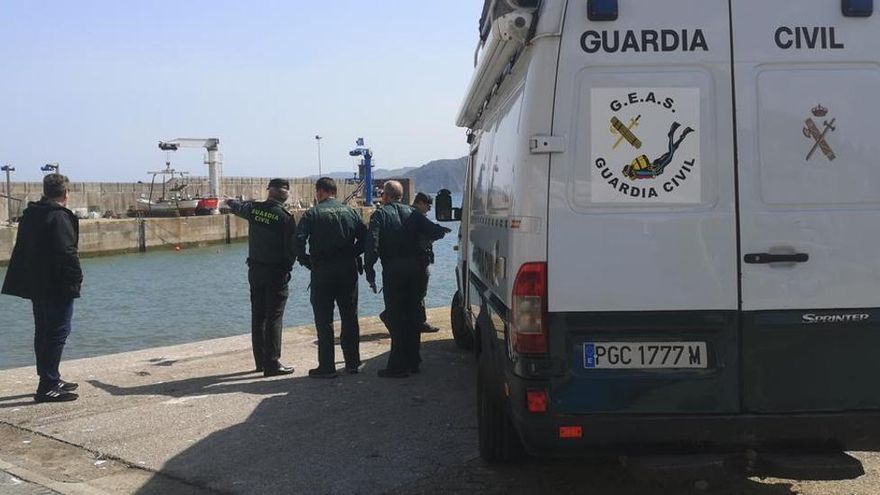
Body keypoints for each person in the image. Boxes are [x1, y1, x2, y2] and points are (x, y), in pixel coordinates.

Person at [2, 174, 83, 402]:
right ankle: (47, 385)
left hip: (37, 283)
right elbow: (67, 251)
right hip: (57, 284)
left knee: (43, 331)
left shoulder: (32, 213)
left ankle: (51, 377)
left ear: (45, 191)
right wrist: (76, 277)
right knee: (58, 332)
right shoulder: (58, 216)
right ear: (65, 193)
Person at [365, 181, 450, 378]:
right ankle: (414, 361)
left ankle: (397, 366)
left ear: (385, 196)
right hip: (416, 271)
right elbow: (435, 231)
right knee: (413, 316)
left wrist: (370, 272)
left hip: (394, 272)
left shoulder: (380, 215)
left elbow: (372, 245)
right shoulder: (414, 215)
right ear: (401, 196)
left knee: (396, 318)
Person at [294, 178, 367, 379]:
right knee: (349, 316)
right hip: (347, 270)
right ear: (334, 192)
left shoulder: (312, 213)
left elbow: (298, 240)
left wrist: (305, 261)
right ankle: (352, 363)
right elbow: (365, 238)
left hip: (323, 271)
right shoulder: (350, 212)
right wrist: (353, 252)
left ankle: (327, 366)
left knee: (324, 318)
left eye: (317, 193)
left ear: (321, 192)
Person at [227, 179, 297, 377]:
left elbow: (238, 207)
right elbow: (291, 249)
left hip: (255, 270)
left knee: (258, 316)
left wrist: (230, 202)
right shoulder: (285, 217)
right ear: (285, 195)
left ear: (269, 192)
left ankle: (260, 361)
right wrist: (287, 268)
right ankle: (272, 363)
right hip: (276, 272)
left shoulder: (255, 210)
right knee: (274, 316)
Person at [378, 192, 441, 333]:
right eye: (428, 205)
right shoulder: (411, 217)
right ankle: (396, 317)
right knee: (415, 293)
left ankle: (417, 321)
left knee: (417, 293)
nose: (429, 209)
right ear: (419, 203)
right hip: (414, 262)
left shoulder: (415, 217)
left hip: (416, 261)